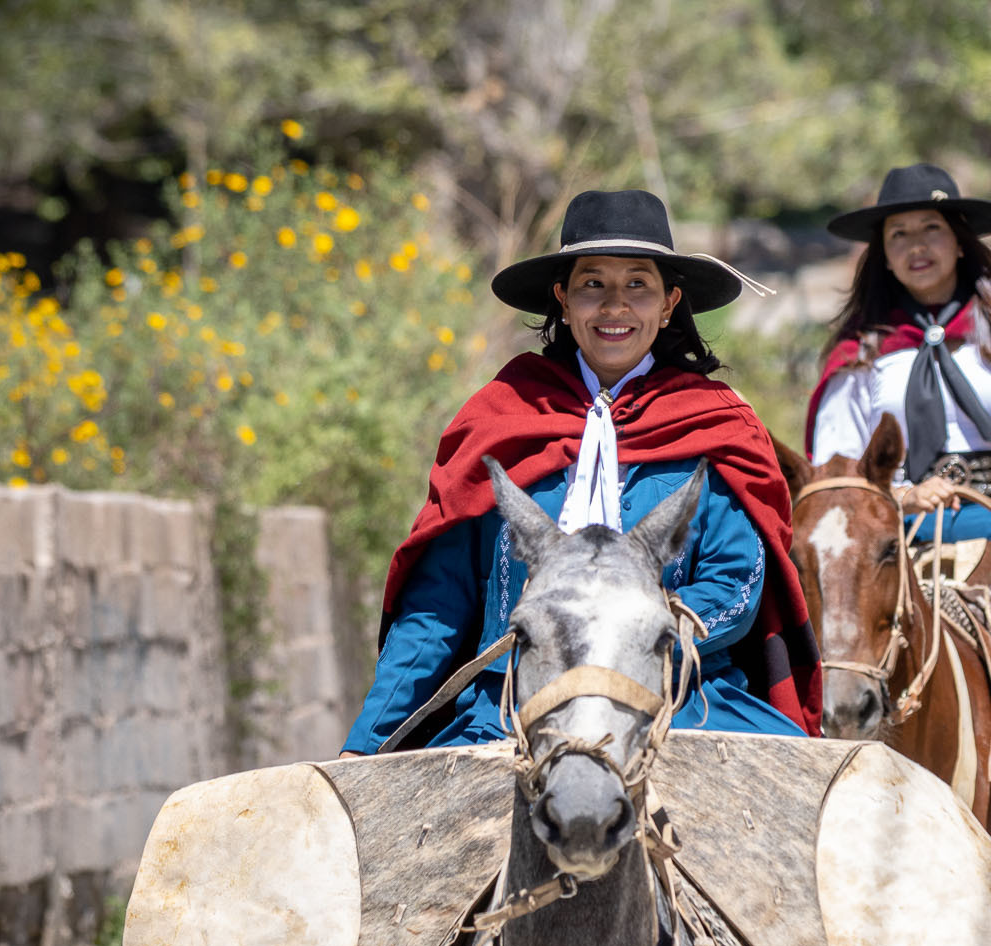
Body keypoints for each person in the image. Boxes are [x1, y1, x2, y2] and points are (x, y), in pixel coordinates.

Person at [343, 190, 820, 753]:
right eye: (593, 283)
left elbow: (736, 581)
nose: (615, 305)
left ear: (669, 303)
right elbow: (437, 605)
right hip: (508, 711)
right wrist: (366, 742)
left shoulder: (716, 425)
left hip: (681, 704)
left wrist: (637, 641)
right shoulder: (500, 419)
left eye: (637, 284)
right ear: (563, 300)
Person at [803, 164, 991, 551]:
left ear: (960, 241)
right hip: (903, 544)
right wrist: (901, 498)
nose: (917, 246)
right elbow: (838, 473)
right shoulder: (860, 353)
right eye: (899, 234)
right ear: (883, 254)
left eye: (931, 228)